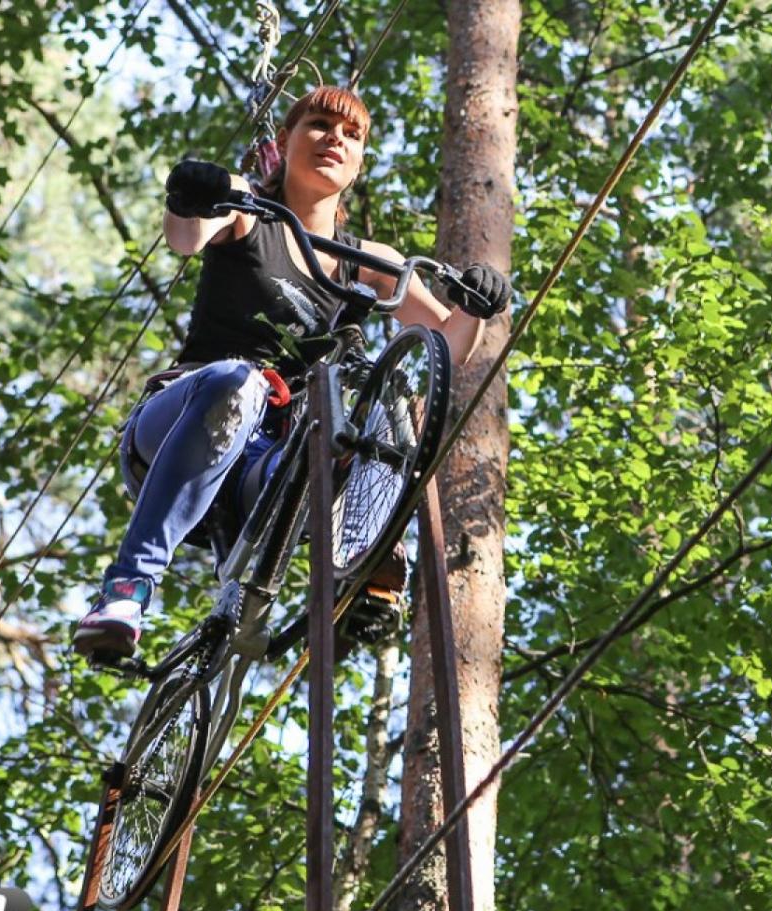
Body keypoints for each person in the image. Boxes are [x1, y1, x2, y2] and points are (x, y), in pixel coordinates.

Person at [73, 86, 510, 659]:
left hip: (268, 470)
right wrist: (190, 196)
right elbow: (186, 236)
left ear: (358, 163)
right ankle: (125, 591)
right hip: (184, 423)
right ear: (284, 142)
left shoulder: (370, 262)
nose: (335, 140)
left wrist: (475, 308)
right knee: (239, 382)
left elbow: (444, 348)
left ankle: (367, 565)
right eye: (320, 125)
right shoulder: (248, 208)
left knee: (386, 395)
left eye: (351, 135)